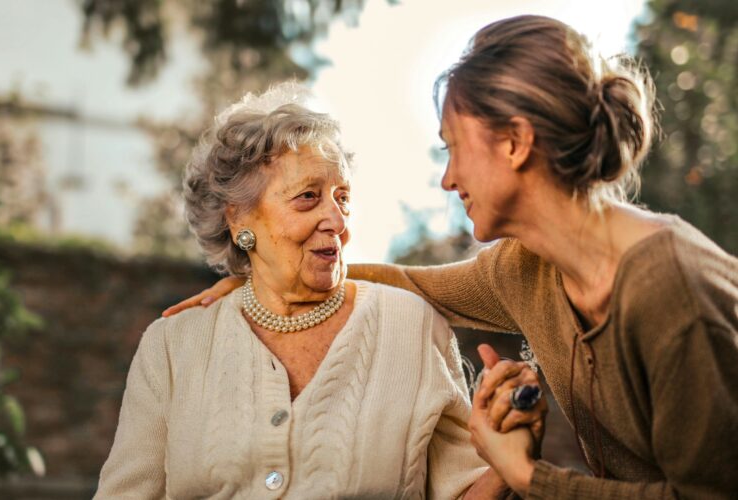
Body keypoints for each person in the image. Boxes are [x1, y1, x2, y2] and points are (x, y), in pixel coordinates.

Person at [163, 16, 738, 499]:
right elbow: (414, 283)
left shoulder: (671, 289)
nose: (447, 178)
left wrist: (524, 474)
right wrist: (266, 278)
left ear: (514, 143)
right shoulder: (526, 268)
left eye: (454, 148)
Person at [95, 83, 508, 498]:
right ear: (239, 220)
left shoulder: (413, 327)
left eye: (342, 198)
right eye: (308, 197)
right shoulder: (171, 345)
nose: (336, 219)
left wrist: (509, 463)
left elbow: (463, 489)